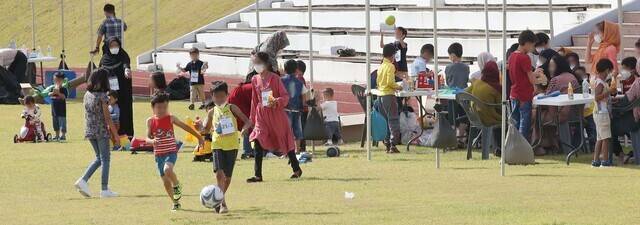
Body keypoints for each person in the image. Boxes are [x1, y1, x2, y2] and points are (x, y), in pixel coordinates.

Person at [246, 52, 303, 183]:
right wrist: (252, 118)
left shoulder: (275, 78)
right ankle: (257, 175)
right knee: (258, 140)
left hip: (276, 114)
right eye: (254, 63)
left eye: (258, 62)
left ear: (266, 63)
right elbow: (254, 100)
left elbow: (285, 97)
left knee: (284, 140)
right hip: (262, 115)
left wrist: (276, 101)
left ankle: (296, 169)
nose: (256, 65)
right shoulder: (254, 79)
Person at [145, 93, 204, 211]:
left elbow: (185, 127)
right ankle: (175, 203)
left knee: (167, 170)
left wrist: (199, 137)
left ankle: (176, 184)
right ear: (153, 107)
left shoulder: (171, 118)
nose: (162, 110)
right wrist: (152, 141)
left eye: (165, 107)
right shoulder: (150, 121)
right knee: (166, 183)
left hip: (171, 152)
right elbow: (147, 138)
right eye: (159, 107)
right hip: (158, 155)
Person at [202, 81, 252, 213]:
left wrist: (244, 129)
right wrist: (199, 127)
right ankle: (222, 203)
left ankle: (217, 199)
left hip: (232, 145)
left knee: (227, 178)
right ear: (212, 96)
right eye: (216, 96)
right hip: (217, 145)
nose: (219, 99)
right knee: (219, 174)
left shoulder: (232, 108)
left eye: (222, 96)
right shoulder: (211, 112)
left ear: (227, 95)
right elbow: (205, 130)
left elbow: (248, 121)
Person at [74, 68, 120, 198]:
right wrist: (115, 135)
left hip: (89, 129)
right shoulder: (102, 97)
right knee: (105, 159)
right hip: (100, 130)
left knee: (99, 158)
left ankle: (83, 180)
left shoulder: (87, 94)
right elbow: (107, 118)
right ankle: (104, 189)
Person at [533, 55, 579, 155]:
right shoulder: (572, 77)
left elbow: (546, 98)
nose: (550, 69)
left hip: (559, 115)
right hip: (574, 113)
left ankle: (538, 145)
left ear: (559, 66)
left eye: (552, 66)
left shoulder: (556, 80)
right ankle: (551, 145)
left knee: (535, 115)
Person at [509, 30, 545, 140]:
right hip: (524, 95)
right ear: (528, 43)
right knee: (524, 124)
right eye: (533, 45)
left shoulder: (512, 56)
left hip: (514, 93)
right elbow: (532, 81)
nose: (533, 48)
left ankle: (514, 146)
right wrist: (542, 80)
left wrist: (534, 73)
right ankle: (522, 147)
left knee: (515, 123)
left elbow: (520, 74)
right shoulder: (525, 58)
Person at [465, 61, 502, 154]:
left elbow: (465, 93)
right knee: (507, 120)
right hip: (491, 118)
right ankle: (500, 147)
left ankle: (496, 146)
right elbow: (500, 106)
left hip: (474, 117)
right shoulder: (496, 88)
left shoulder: (476, 83)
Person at [100, 37, 133, 137]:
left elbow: (125, 64)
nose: (114, 47)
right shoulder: (104, 59)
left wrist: (126, 69)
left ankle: (126, 135)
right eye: (112, 46)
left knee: (123, 113)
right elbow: (100, 71)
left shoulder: (123, 55)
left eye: (116, 45)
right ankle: (110, 136)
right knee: (109, 113)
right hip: (109, 92)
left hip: (122, 92)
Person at [609, 57, 639, 163]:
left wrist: (617, 105)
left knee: (610, 127)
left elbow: (627, 100)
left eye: (625, 68)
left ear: (634, 69)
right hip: (628, 114)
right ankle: (624, 153)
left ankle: (623, 154)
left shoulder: (636, 82)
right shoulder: (624, 81)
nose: (623, 71)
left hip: (633, 116)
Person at [376, 44, 403, 153]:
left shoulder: (381, 66)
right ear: (392, 55)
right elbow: (390, 82)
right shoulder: (391, 66)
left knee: (386, 121)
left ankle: (387, 143)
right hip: (388, 95)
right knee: (393, 120)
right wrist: (399, 86)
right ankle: (393, 144)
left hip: (380, 96)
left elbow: (379, 82)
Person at [281, 60, 309, 152]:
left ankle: (286, 151)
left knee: (285, 131)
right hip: (297, 109)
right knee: (297, 130)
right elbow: (304, 96)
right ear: (296, 70)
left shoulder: (281, 81)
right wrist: (303, 103)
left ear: (284, 70)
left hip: (285, 109)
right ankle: (297, 150)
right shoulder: (299, 82)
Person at [592, 59, 615, 167]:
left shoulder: (599, 81)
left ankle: (596, 161)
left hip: (599, 112)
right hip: (602, 113)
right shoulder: (600, 83)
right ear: (606, 70)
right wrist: (608, 92)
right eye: (609, 71)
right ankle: (605, 161)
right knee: (605, 138)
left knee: (600, 138)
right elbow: (597, 97)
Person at [229, 72, 255, 159]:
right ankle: (247, 150)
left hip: (234, 103)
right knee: (249, 124)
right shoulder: (253, 87)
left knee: (246, 125)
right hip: (240, 105)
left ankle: (246, 150)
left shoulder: (242, 87)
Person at [295, 60, 309, 152]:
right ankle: (302, 147)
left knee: (300, 128)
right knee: (301, 128)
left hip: (301, 108)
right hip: (302, 108)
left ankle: (301, 148)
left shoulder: (299, 79)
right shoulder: (300, 78)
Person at [50, 72, 68, 141]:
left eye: (58, 80)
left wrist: (58, 93)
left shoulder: (64, 89)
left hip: (61, 110)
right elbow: (49, 94)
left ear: (63, 81)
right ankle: (57, 135)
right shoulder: (53, 88)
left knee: (62, 123)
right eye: (55, 80)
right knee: (55, 123)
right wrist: (52, 93)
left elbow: (64, 97)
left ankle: (63, 135)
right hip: (54, 110)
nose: (56, 82)